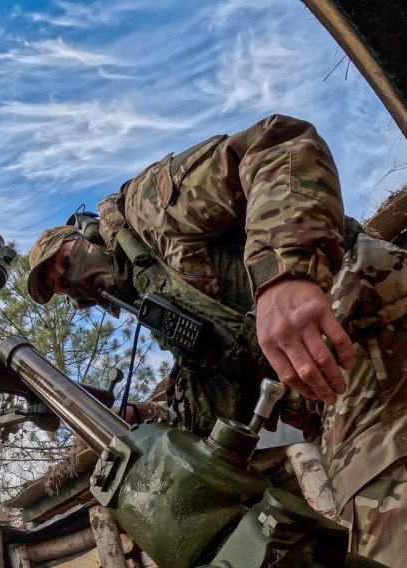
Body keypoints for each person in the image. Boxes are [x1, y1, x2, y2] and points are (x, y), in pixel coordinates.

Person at [27, 114, 407, 566]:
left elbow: (277, 144)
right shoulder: (168, 308)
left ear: (87, 233)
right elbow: (210, 408)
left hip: (364, 316)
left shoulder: (147, 209)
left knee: (383, 533)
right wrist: (140, 417)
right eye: (62, 287)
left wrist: (282, 276)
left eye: (65, 262)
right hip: (335, 381)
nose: (73, 282)